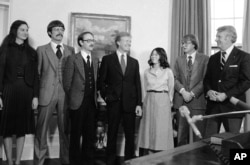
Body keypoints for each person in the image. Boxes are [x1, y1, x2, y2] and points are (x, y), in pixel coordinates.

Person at [34, 20, 74, 165]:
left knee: (65, 131)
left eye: (61, 29)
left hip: (65, 94)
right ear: (50, 32)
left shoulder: (70, 50)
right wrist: (36, 96)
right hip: (46, 94)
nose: (59, 32)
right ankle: (39, 161)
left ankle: (66, 161)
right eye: (56, 29)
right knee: (41, 130)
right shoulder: (41, 49)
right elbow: (37, 75)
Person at [99, 32, 142, 165]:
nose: (129, 44)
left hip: (130, 104)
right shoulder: (107, 59)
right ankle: (110, 161)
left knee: (130, 135)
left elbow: (137, 84)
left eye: (130, 41)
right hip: (114, 104)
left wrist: (139, 104)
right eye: (126, 41)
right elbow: (101, 82)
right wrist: (107, 97)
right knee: (111, 134)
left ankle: (129, 161)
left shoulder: (134, 62)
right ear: (118, 42)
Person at [0, 20, 39, 165]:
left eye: (27, 30)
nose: (26, 32)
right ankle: (10, 161)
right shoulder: (4, 49)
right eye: (22, 29)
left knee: (22, 129)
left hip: (26, 91)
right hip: (8, 90)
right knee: (7, 129)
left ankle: (17, 162)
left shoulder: (32, 52)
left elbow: (36, 76)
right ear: (15, 30)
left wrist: (35, 96)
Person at [203, 25, 250, 138]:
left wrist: (226, 95)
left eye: (219, 36)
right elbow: (207, 80)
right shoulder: (213, 58)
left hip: (232, 109)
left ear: (229, 38)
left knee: (232, 143)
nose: (216, 39)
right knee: (208, 143)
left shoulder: (244, 57)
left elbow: (246, 81)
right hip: (213, 108)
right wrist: (209, 91)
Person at [63, 31, 98, 165]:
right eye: (88, 40)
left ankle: (87, 162)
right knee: (75, 136)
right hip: (77, 104)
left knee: (89, 136)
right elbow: (67, 83)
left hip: (91, 104)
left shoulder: (94, 60)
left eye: (92, 40)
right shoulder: (72, 59)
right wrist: (74, 98)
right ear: (81, 43)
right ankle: (75, 162)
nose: (91, 42)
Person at [173, 34, 209, 146]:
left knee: (198, 138)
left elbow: (206, 80)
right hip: (181, 102)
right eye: (182, 43)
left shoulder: (205, 59)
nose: (183, 45)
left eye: (186, 43)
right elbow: (174, 78)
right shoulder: (179, 60)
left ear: (194, 44)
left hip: (198, 103)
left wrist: (192, 93)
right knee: (181, 138)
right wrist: (183, 91)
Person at [138, 47, 174, 155]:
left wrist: (168, 103)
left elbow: (171, 89)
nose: (153, 56)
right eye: (152, 54)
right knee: (149, 129)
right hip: (149, 100)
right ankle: (150, 156)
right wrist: (144, 102)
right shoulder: (146, 72)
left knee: (161, 129)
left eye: (156, 55)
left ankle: (163, 157)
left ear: (161, 56)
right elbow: (144, 88)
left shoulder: (168, 72)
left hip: (163, 100)